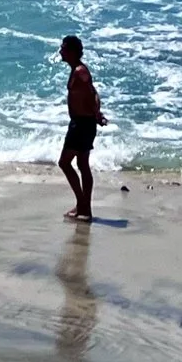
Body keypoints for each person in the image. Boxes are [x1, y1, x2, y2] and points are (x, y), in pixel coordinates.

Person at [56, 35, 106, 222]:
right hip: (82, 122)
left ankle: (84, 205)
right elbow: (93, 93)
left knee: (65, 163)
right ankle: (83, 207)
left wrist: (96, 114)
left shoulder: (80, 72)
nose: (61, 51)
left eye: (63, 48)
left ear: (72, 51)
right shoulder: (77, 70)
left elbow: (92, 94)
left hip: (82, 124)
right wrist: (97, 114)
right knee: (82, 164)